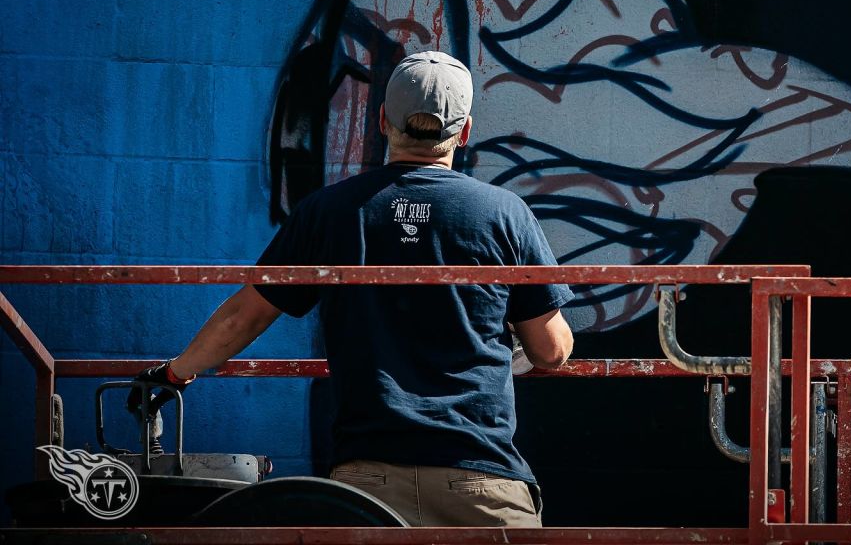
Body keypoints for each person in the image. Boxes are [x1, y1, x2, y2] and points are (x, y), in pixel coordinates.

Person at [129, 50, 575, 526]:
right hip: (480, 480)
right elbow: (550, 351)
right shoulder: (504, 214)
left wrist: (174, 374)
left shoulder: (329, 211)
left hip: (367, 482)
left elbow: (245, 316)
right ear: (465, 132)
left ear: (383, 120)